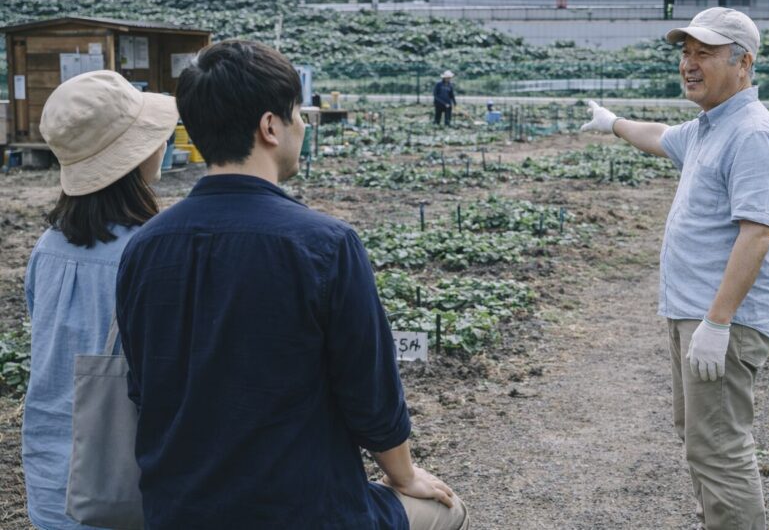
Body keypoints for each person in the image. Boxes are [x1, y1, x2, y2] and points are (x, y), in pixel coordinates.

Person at [115, 40, 469, 530]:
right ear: (270, 127)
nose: (302, 126)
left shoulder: (143, 247)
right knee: (446, 510)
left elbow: (142, 388)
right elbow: (371, 397)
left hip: (179, 510)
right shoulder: (326, 244)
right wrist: (404, 475)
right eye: (298, 114)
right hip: (306, 511)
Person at [581, 8, 769, 530]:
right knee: (700, 441)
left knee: (720, 449)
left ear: (743, 63)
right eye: (686, 52)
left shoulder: (752, 134)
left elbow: (757, 233)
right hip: (693, 317)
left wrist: (718, 322)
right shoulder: (709, 127)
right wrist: (613, 124)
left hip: (722, 321)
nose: (689, 64)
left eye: (704, 53)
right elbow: (660, 136)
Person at [22, 70, 177, 530]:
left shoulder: (46, 247)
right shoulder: (151, 251)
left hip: (51, 479)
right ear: (134, 155)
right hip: (122, 488)